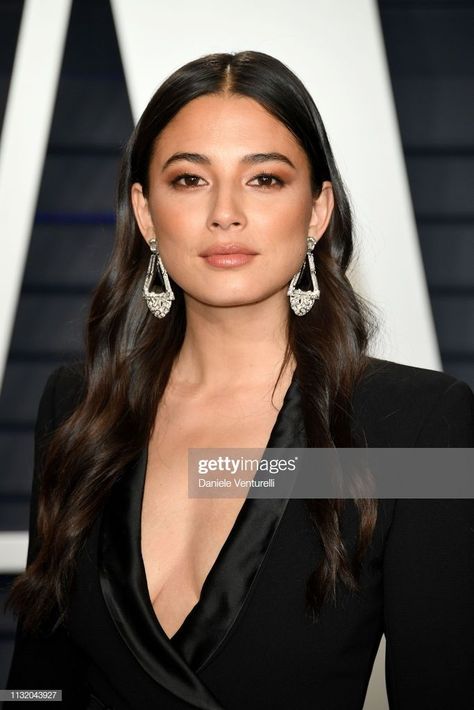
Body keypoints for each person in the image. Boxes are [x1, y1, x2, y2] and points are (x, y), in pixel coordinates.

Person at [3, 51, 473, 710]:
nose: (225, 213)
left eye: (265, 180)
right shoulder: (79, 406)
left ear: (317, 211)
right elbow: (38, 678)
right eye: (190, 179)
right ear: (145, 213)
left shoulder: (420, 430)